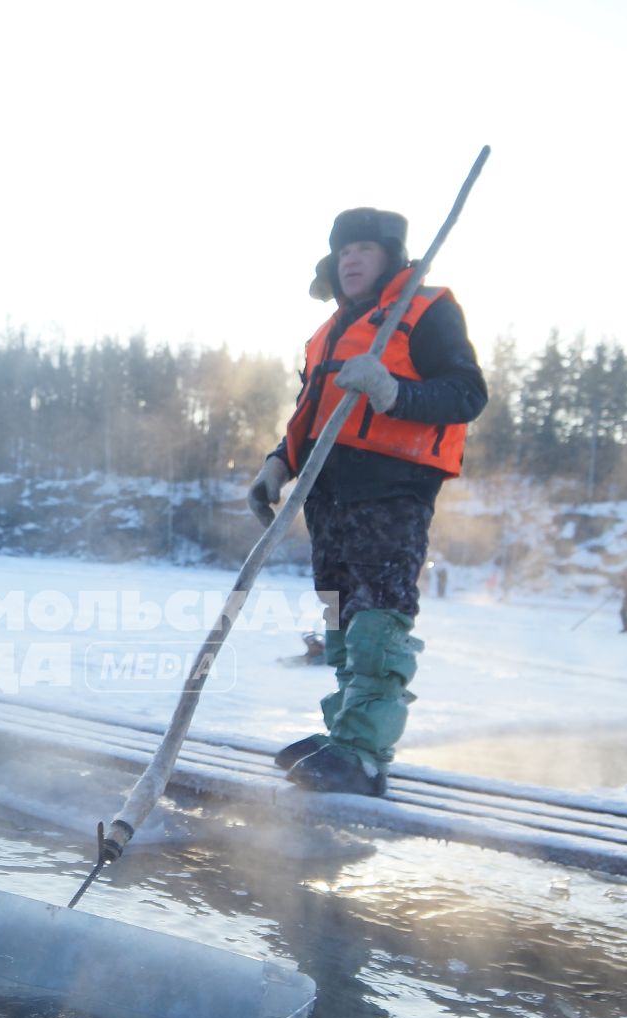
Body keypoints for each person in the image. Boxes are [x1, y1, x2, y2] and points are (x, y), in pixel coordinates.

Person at [248, 207, 488, 796]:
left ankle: (365, 753)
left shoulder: (427, 313)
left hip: (392, 489)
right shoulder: (328, 335)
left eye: (365, 249)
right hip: (326, 494)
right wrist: (277, 464)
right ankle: (343, 736)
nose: (350, 259)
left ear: (392, 258)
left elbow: (466, 393)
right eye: (343, 250)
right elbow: (311, 416)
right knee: (339, 618)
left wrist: (391, 390)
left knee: (377, 618)